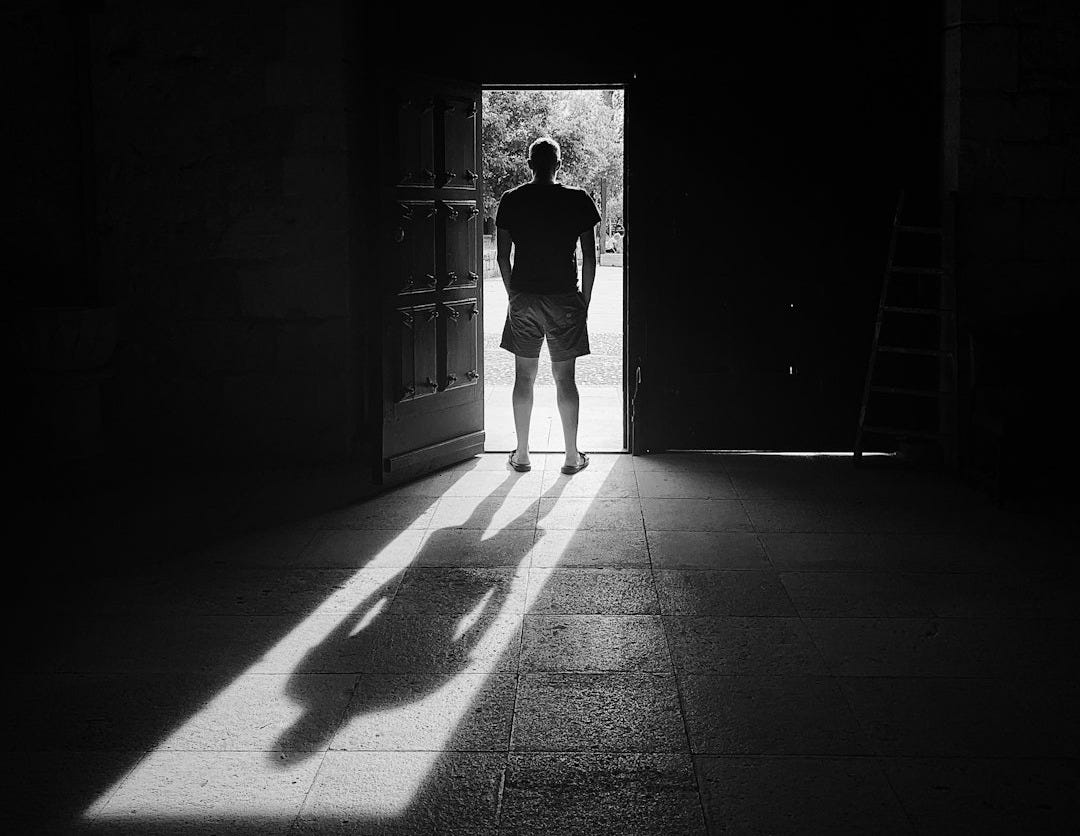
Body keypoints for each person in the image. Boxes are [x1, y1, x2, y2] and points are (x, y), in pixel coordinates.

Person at [496, 136, 600, 475]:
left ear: (530, 165)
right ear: (559, 164)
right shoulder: (578, 200)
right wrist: (584, 298)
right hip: (564, 298)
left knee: (523, 378)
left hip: (524, 297)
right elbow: (589, 257)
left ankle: (522, 454)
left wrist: (514, 294)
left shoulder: (511, 200)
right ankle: (571, 456)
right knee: (564, 379)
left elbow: (502, 255)